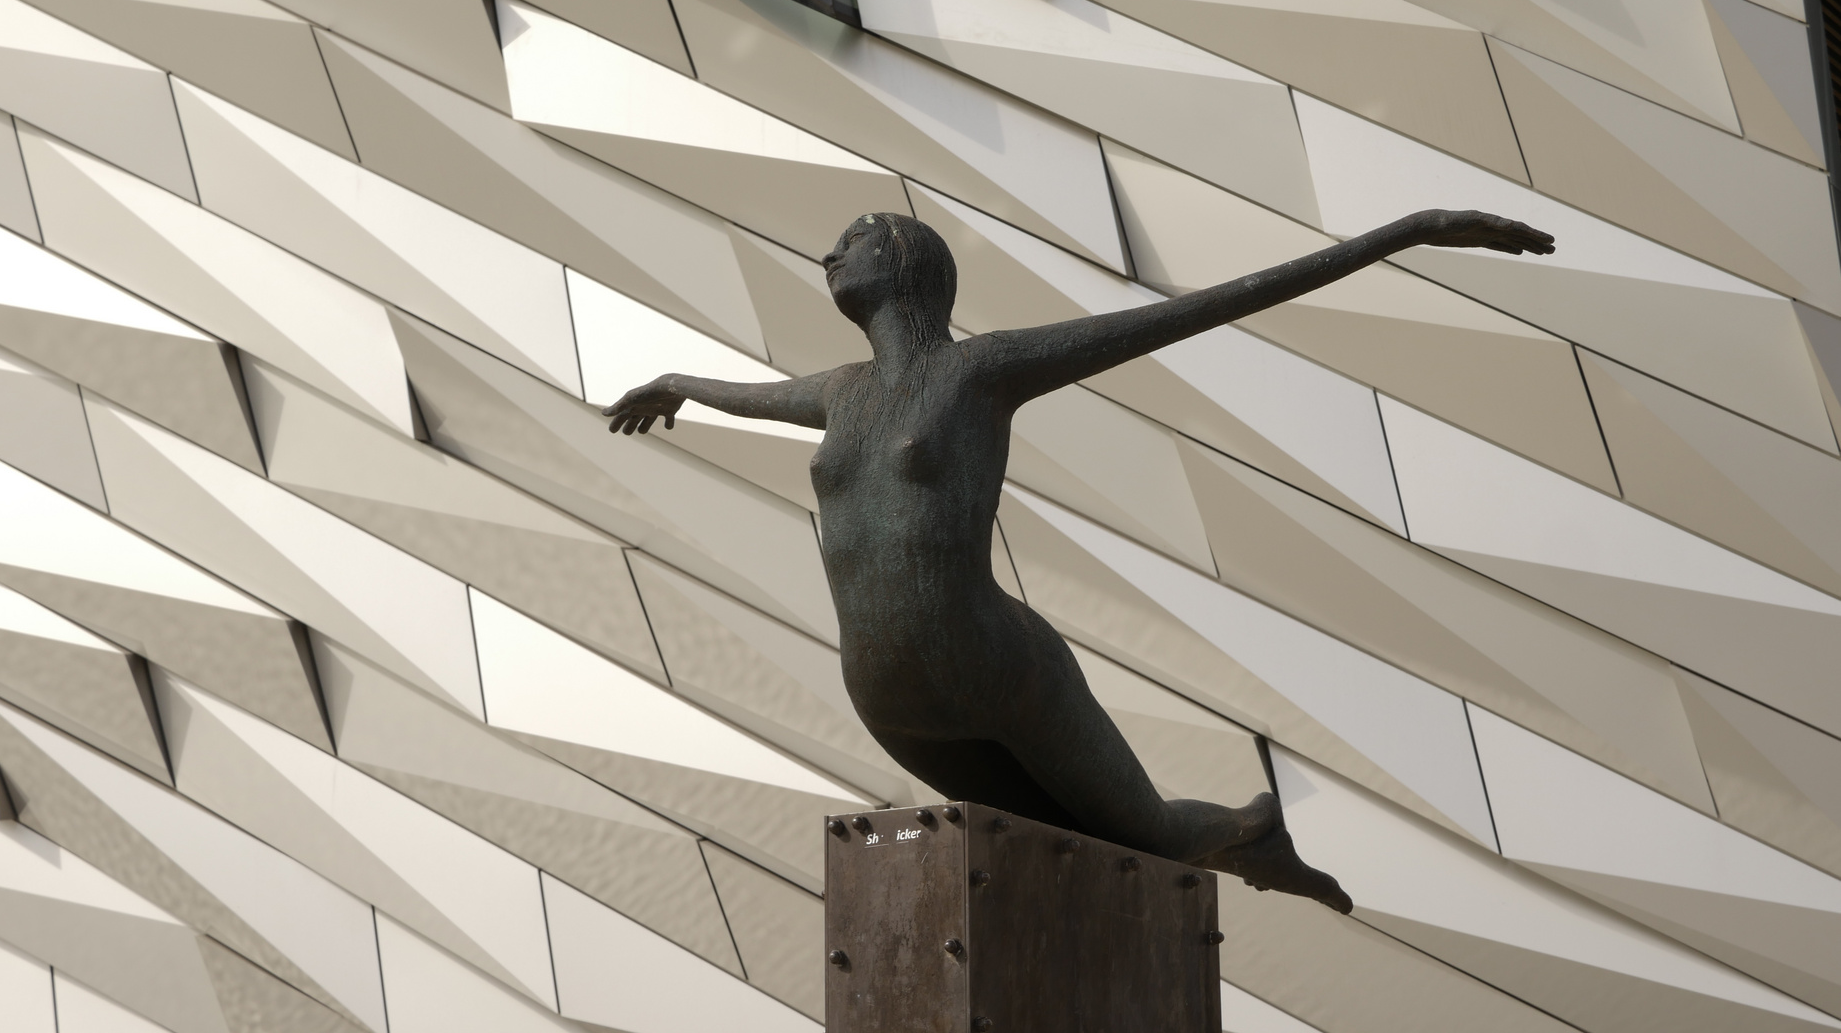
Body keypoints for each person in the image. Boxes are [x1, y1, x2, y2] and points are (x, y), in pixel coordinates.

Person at [604, 209, 1554, 911]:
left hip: (994, 664)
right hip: (886, 692)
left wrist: (1409, 233)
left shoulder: (981, 370)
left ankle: (1244, 833)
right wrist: (677, 384)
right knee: (1054, 857)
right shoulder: (839, 391)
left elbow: (1205, 309)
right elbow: (738, 394)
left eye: (851, 238)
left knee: (1133, 835)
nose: (827, 251)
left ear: (903, 262)